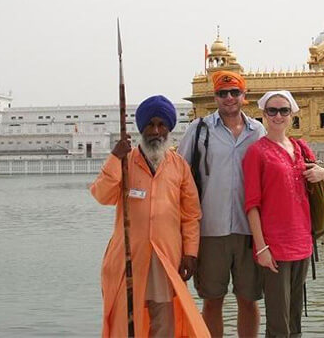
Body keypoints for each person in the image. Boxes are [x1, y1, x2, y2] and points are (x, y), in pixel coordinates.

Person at [90, 95, 210, 338]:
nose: (156, 131)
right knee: (125, 320)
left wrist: (191, 253)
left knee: (163, 319)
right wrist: (114, 158)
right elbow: (103, 195)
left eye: (161, 125)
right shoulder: (126, 161)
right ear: (141, 128)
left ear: (169, 129)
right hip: (129, 255)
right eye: (150, 125)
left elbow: (191, 215)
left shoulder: (178, 165)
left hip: (165, 255)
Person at [177, 70, 266, 338]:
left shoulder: (257, 130)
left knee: (248, 299)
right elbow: (179, 176)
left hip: (249, 230)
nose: (229, 98)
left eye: (234, 92)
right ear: (214, 97)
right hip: (210, 229)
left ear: (244, 96)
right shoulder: (199, 129)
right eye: (222, 93)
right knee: (212, 300)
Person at [242, 90, 324, 337]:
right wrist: (261, 248)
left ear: (292, 114)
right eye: (272, 111)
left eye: (284, 110)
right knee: (278, 320)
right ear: (264, 115)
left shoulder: (301, 148)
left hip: (303, 243)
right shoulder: (256, 152)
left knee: (295, 316)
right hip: (275, 248)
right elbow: (251, 204)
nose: (278, 116)